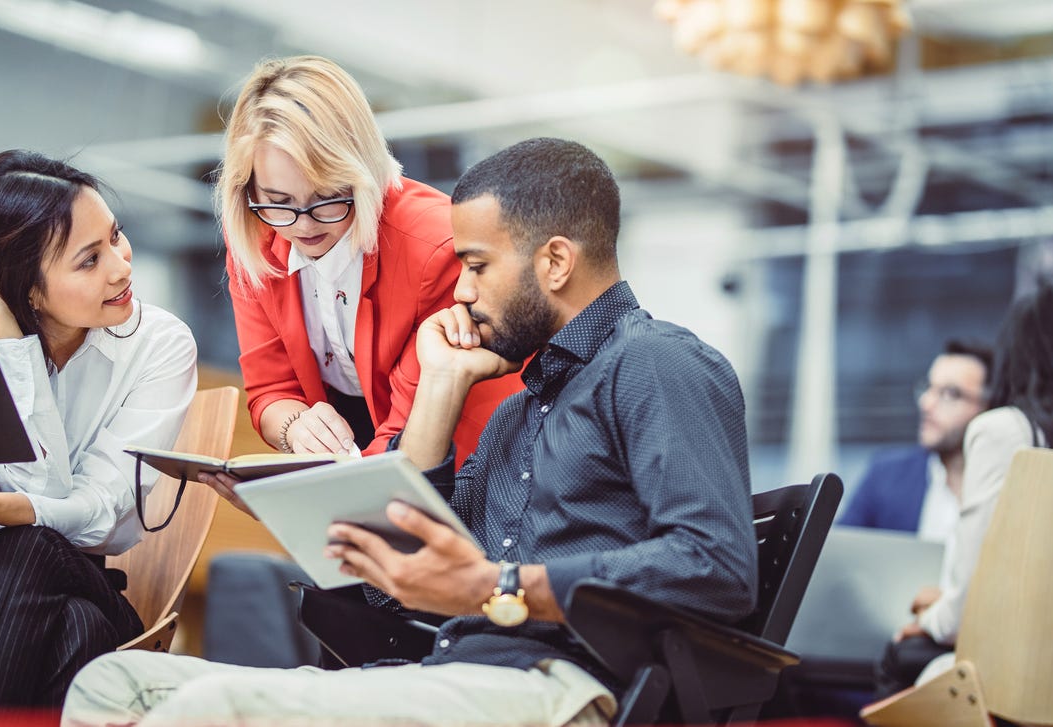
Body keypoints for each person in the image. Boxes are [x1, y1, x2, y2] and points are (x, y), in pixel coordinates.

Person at [62, 137, 758, 727]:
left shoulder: (655, 362)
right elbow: (390, 594)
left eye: (478, 266)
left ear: (554, 261)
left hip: (563, 686)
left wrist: (500, 585)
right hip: (459, 669)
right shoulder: (519, 409)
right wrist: (440, 387)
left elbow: (716, 565)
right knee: (112, 685)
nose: (460, 290)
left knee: (209, 709)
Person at [0, 150, 197, 714]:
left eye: (115, 238)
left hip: (75, 573)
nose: (123, 267)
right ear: (25, 288)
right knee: (72, 635)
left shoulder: (160, 345)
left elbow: (90, 515)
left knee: (28, 548)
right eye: (89, 260)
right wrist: (5, 331)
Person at [215, 55, 521, 463]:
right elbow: (270, 390)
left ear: (361, 173)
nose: (303, 226)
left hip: (465, 451)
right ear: (248, 191)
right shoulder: (256, 232)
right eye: (279, 201)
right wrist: (296, 428)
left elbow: (410, 436)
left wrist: (328, 492)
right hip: (362, 433)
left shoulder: (434, 247)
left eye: (327, 198)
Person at [874, 279, 1053, 697]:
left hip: (1015, 679)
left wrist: (932, 615)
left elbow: (963, 616)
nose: (927, 404)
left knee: (902, 655)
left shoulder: (1005, 431)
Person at [840, 340, 992, 542]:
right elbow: (837, 554)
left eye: (950, 394)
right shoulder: (885, 476)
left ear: (989, 408)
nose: (926, 403)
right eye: (929, 387)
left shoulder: (1006, 490)